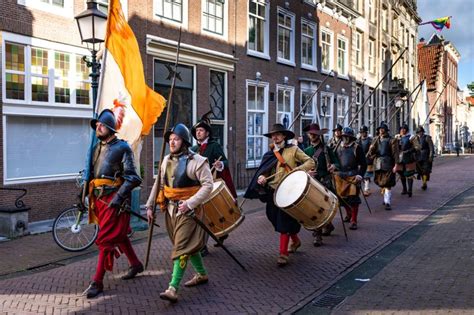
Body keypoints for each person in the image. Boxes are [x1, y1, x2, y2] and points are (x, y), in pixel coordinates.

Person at [146, 123, 213, 303]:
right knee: (188, 246)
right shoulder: (166, 160)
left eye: (175, 139)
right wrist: (150, 206)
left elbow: (208, 185)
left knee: (181, 247)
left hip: (190, 211)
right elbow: (159, 184)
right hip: (170, 210)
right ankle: (202, 274)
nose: (172, 142)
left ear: (183, 141)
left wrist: (190, 204)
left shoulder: (198, 161)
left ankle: (172, 288)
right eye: (170, 140)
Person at [83, 108, 143, 299]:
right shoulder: (96, 148)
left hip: (114, 199)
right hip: (99, 199)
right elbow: (91, 174)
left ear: (110, 127)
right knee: (119, 235)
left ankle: (97, 281)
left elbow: (133, 178)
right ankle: (135, 264)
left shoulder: (122, 148)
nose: (98, 127)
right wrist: (81, 194)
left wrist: (118, 199)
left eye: (101, 125)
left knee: (106, 239)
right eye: (97, 125)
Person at [244, 123, 315, 266]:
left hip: (289, 191)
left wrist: (296, 171)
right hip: (273, 191)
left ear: (284, 136)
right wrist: (261, 178)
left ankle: (283, 254)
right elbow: (264, 171)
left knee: (283, 221)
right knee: (273, 217)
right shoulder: (269, 154)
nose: (274, 137)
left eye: (277, 135)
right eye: (272, 135)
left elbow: (310, 161)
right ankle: (295, 240)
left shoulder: (293, 150)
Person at [190, 112, 237, 254]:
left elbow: (226, 161)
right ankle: (217, 236)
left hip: (209, 185)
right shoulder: (193, 150)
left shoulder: (214, 146)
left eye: (201, 130)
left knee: (206, 215)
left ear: (207, 133)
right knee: (200, 216)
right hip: (196, 187)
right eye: (197, 131)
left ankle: (206, 244)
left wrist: (220, 164)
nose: (198, 133)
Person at [303, 123, 337, 246]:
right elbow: (301, 166)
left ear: (318, 135)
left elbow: (336, 162)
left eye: (314, 134)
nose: (311, 135)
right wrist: (307, 172)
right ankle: (318, 235)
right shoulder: (306, 151)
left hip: (325, 181)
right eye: (310, 133)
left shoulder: (327, 149)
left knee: (324, 208)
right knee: (314, 210)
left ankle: (326, 226)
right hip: (313, 183)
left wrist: (333, 166)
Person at [331, 127, 367, 230]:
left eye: (347, 137)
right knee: (342, 199)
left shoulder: (357, 148)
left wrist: (360, 175)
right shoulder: (337, 147)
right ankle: (349, 213)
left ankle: (354, 220)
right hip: (340, 176)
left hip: (353, 176)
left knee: (353, 199)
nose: (345, 138)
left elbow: (363, 164)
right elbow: (334, 160)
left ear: (351, 137)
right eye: (343, 136)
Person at [367, 122, 399, 210]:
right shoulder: (375, 140)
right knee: (380, 182)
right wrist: (371, 149)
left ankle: (387, 202)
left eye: (382, 129)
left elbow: (395, 153)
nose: (381, 130)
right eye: (380, 129)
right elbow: (371, 154)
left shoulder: (392, 140)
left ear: (385, 130)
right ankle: (385, 197)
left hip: (388, 163)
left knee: (388, 183)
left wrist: (396, 165)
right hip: (378, 164)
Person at [394, 124, 420, 197]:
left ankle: (410, 190)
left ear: (407, 130)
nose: (402, 130)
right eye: (401, 129)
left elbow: (417, 147)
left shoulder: (411, 137)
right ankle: (404, 188)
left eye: (404, 129)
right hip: (400, 158)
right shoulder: (397, 137)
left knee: (409, 174)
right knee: (401, 174)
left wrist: (410, 150)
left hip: (409, 158)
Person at [414, 126, 434, 190]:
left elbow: (431, 148)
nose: (419, 133)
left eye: (420, 132)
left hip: (426, 157)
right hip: (418, 157)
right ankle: (423, 180)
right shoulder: (415, 139)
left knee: (425, 170)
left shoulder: (427, 138)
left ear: (422, 132)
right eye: (418, 132)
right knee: (420, 171)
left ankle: (424, 183)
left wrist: (430, 156)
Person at [357, 126, 374, 196]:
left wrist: (371, 150)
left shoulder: (370, 140)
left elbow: (374, 150)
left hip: (368, 159)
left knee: (367, 175)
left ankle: (366, 189)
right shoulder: (358, 140)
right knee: (361, 175)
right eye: (361, 132)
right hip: (360, 159)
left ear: (366, 132)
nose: (362, 133)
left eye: (364, 132)